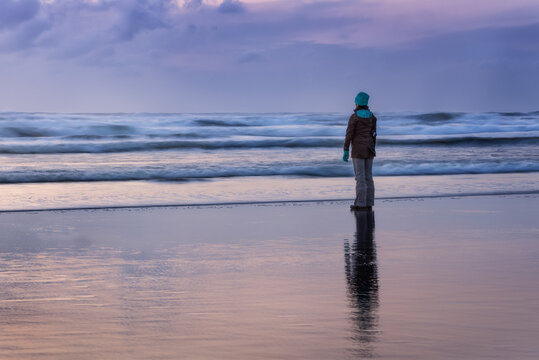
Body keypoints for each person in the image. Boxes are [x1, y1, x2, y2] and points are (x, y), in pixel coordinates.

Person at [343, 91, 377, 211]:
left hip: (358, 150)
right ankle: (369, 203)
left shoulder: (354, 117)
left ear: (357, 103)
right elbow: (374, 135)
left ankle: (360, 204)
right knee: (368, 177)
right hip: (369, 150)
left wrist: (346, 149)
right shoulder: (372, 117)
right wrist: (373, 148)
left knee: (360, 177)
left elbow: (349, 135)